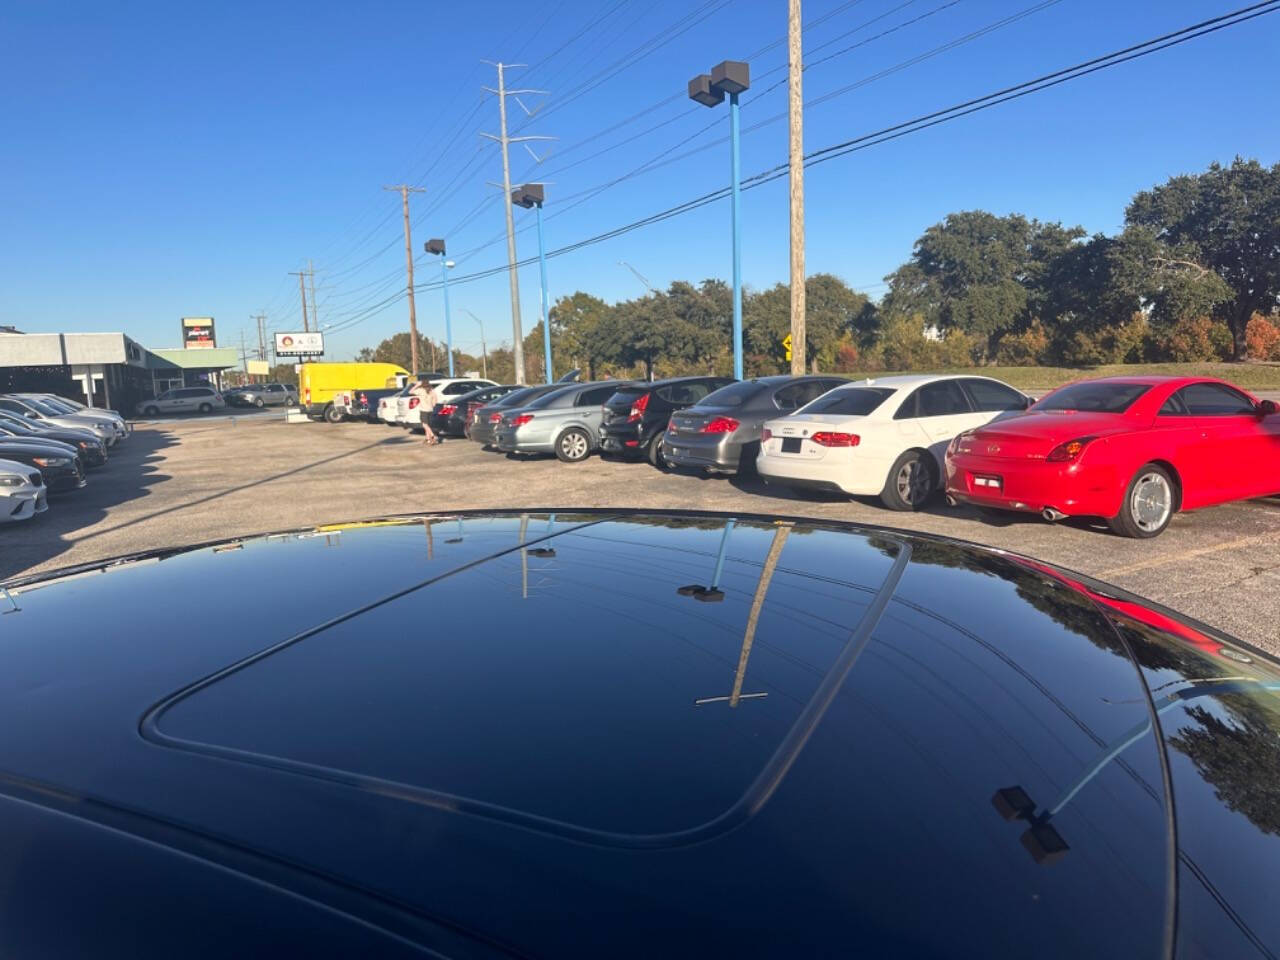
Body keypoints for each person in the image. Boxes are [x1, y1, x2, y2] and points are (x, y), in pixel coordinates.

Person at [409, 379, 439, 445]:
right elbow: (435, 399)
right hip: (430, 409)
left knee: (424, 425)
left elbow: (410, 392)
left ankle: (433, 435)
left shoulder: (421, 390)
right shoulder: (432, 390)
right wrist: (433, 405)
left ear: (422, 384)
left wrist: (416, 385)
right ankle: (428, 439)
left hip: (423, 410)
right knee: (427, 425)